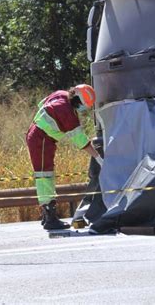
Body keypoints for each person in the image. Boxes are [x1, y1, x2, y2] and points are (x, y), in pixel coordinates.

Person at [26, 84, 103, 230]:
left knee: (45, 175)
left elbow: (41, 103)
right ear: (78, 100)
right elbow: (81, 141)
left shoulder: (60, 94)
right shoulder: (68, 113)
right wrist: (99, 158)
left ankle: (46, 215)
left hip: (38, 134)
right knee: (45, 176)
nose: (82, 110)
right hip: (41, 139)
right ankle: (50, 218)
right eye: (82, 106)